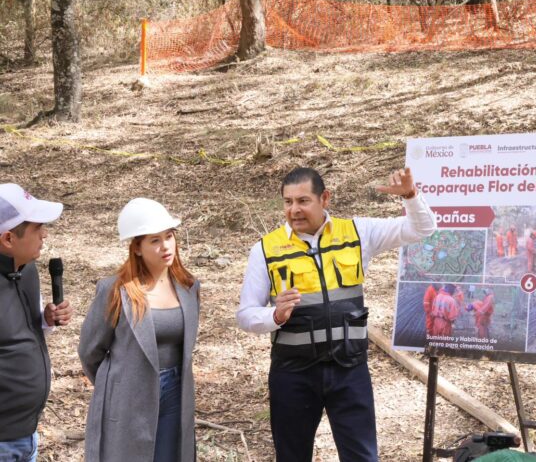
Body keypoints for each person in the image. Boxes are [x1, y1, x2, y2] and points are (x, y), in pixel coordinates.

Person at [237, 167, 436, 462]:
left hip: (349, 369)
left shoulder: (357, 233)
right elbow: (245, 314)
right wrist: (275, 316)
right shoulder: (265, 249)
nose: (294, 210)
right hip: (293, 373)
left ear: (324, 198)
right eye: (288, 202)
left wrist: (410, 195)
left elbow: (422, 228)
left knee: (362, 457)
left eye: (303, 201)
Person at [79, 198, 200, 462]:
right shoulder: (116, 291)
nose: (165, 246)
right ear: (136, 247)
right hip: (130, 395)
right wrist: (119, 384)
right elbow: (90, 351)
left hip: (176, 391)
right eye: (154, 240)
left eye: (169, 236)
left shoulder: (189, 287)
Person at [0, 184, 73, 462]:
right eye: (37, 228)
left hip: (26, 434)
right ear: (8, 239)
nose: (44, 234)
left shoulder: (26, 270)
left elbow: (18, 334)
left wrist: (46, 319)